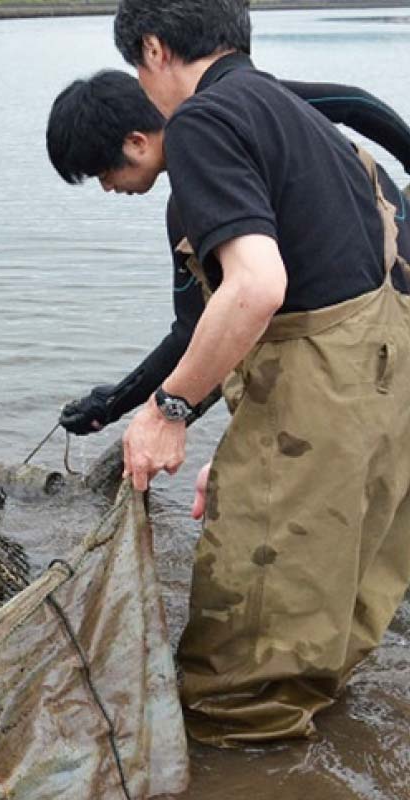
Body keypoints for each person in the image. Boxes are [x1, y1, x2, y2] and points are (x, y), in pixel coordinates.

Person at [83, 0, 410, 746]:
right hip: (391, 389)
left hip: (330, 390)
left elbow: (257, 287)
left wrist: (167, 410)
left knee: (239, 681)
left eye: (140, 65)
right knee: (337, 617)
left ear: (157, 50)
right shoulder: (295, 112)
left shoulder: (203, 121)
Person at [45, 69, 410, 435]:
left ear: (137, 143)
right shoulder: (244, 103)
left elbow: (190, 331)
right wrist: (114, 401)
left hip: (373, 310)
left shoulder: (209, 155)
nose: (108, 187)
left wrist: (127, 406)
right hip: (379, 281)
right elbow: (355, 103)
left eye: (104, 173)